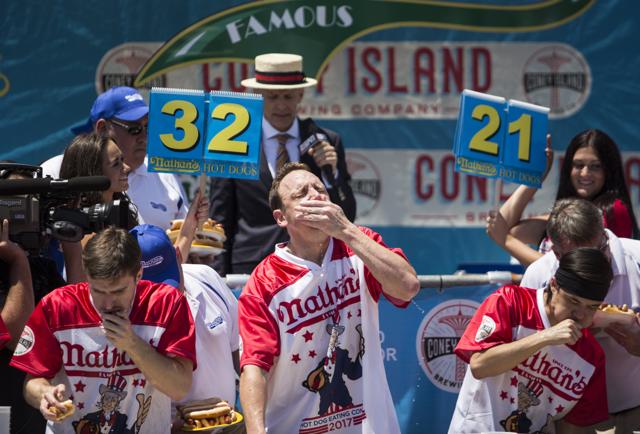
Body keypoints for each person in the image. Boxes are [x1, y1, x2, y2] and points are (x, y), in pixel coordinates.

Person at [238, 162, 419, 434]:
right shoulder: (265, 280)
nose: (315, 195)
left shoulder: (359, 244)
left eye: (320, 189)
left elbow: (407, 287)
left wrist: (346, 230)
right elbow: (254, 367)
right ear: (281, 217)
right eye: (301, 194)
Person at [10, 226, 197, 434]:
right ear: (86, 275)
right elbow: (31, 383)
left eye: (118, 291)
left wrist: (132, 344)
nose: (108, 304)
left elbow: (179, 388)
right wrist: (45, 394)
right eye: (98, 290)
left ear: (139, 275)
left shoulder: (166, 304)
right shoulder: (57, 306)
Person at [209, 53, 356, 276]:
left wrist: (331, 175)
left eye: (288, 96)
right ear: (258, 95)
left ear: (300, 94)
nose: (281, 105)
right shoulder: (234, 143)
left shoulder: (325, 141)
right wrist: (219, 278)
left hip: (314, 264)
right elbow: (220, 218)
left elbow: (348, 215)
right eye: (273, 97)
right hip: (251, 267)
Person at [450, 247, 612, 433]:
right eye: (573, 301)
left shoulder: (592, 356)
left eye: (592, 307)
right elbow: (480, 365)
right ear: (553, 285)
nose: (581, 315)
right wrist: (545, 337)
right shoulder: (511, 301)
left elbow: (573, 426)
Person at [521, 198, 640, 433]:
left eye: (599, 252)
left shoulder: (636, 258)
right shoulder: (538, 276)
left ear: (604, 234)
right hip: (568, 416)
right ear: (556, 253)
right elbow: (522, 351)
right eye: (581, 259)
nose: (594, 266)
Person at [132, 223, 243, 434]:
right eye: (151, 287)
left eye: (166, 281)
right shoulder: (123, 316)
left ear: (178, 256)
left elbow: (239, 350)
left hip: (230, 426)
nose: (165, 296)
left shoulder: (207, 278)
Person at [42, 85, 189, 230]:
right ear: (102, 129)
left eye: (148, 127)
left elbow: (187, 233)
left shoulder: (164, 174)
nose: (144, 137)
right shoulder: (54, 171)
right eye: (134, 129)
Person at [487, 129, 639, 267]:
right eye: (578, 165)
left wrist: (507, 241)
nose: (585, 173)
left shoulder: (615, 210)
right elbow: (503, 227)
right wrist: (535, 178)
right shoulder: (561, 215)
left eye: (595, 166)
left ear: (609, 170)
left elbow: (578, 273)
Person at [59, 132, 131, 206]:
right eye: (116, 164)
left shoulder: (124, 205)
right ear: (93, 172)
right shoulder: (70, 214)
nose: (128, 168)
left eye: (122, 159)